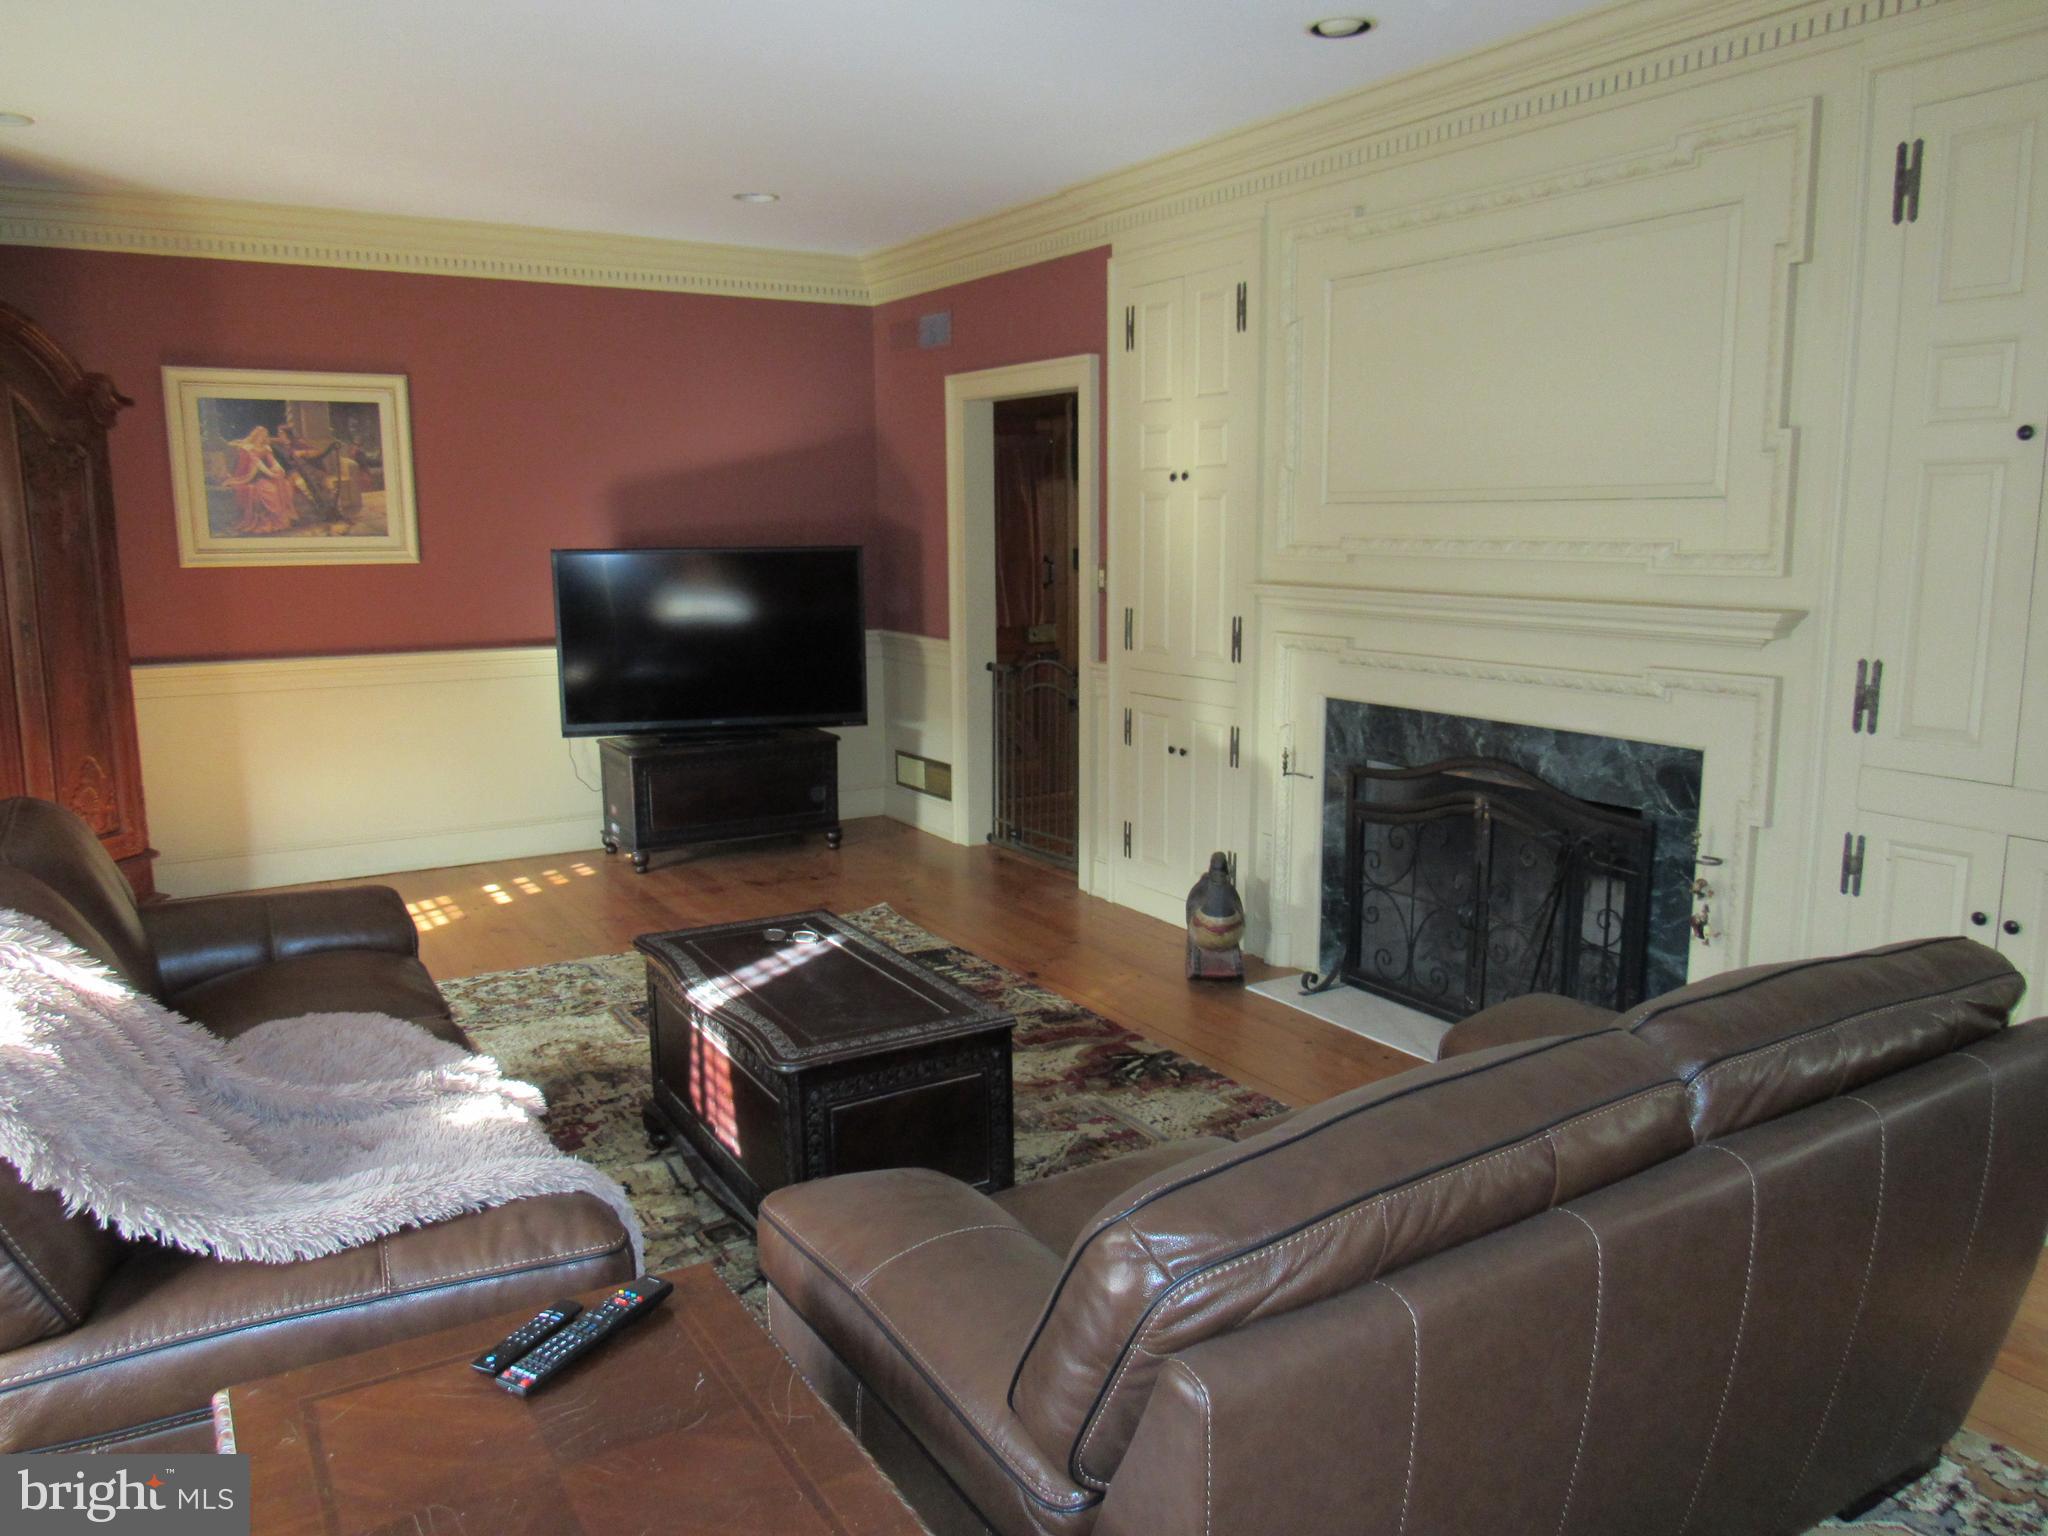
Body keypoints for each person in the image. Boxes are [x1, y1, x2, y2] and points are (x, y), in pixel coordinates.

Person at [218, 425, 299, 534]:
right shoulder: (248, 448)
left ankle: (281, 518)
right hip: (251, 475)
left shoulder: (266, 448)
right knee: (269, 490)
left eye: (265, 436)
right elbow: (258, 464)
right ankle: (268, 519)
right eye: (260, 436)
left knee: (285, 483)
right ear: (255, 436)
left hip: (263, 475)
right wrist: (271, 474)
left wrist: (278, 469)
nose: (262, 438)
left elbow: (272, 461)